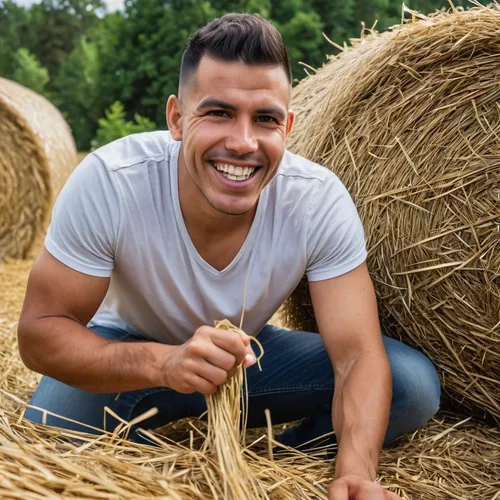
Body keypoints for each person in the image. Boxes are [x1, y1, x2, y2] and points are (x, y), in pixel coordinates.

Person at [17, 13, 440, 499]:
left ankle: (280, 458)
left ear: (289, 126)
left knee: (411, 385)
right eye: (218, 113)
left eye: (265, 119)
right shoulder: (110, 181)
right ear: (177, 118)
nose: (242, 143)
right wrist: (164, 364)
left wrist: (357, 471)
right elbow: (40, 335)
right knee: (54, 428)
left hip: (251, 361)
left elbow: (358, 356)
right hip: (127, 355)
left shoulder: (317, 199)